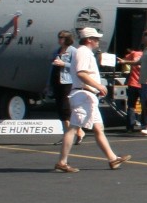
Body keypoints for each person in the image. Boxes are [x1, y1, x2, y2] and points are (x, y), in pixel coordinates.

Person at [55, 27, 129, 172]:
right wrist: (98, 86)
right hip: (83, 95)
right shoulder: (83, 52)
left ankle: (113, 159)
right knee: (73, 128)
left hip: (87, 95)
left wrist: (95, 88)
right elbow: (81, 73)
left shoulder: (85, 52)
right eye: (96, 39)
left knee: (98, 128)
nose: (98, 41)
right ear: (89, 39)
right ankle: (62, 162)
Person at [49, 30, 75, 122]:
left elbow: (76, 66)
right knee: (59, 106)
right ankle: (68, 131)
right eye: (59, 37)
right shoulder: (57, 51)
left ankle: (70, 131)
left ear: (67, 39)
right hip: (56, 80)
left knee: (66, 107)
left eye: (61, 38)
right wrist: (48, 83)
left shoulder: (73, 51)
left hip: (67, 82)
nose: (59, 40)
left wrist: (64, 64)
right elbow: (52, 68)